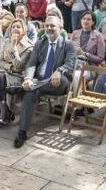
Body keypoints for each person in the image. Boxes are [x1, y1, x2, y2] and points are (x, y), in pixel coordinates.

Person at [14, 14, 76, 148]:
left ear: (60, 27)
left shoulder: (68, 44)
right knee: (30, 92)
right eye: (46, 26)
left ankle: (20, 88)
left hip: (59, 82)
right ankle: (22, 132)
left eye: (52, 25)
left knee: (32, 87)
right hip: (40, 81)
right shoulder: (40, 43)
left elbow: (70, 63)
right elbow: (31, 64)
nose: (49, 28)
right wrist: (28, 78)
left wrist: (59, 71)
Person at [0, 19, 33, 130]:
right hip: (5, 73)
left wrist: (14, 49)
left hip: (18, 77)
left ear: (24, 30)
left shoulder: (28, 47)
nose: (15, 29)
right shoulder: (6, 42)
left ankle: (1, 113)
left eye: (18, 27)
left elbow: (19, 67)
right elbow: (0, 61)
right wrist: (10, 67)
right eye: (13, 27)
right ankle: (3, 112)